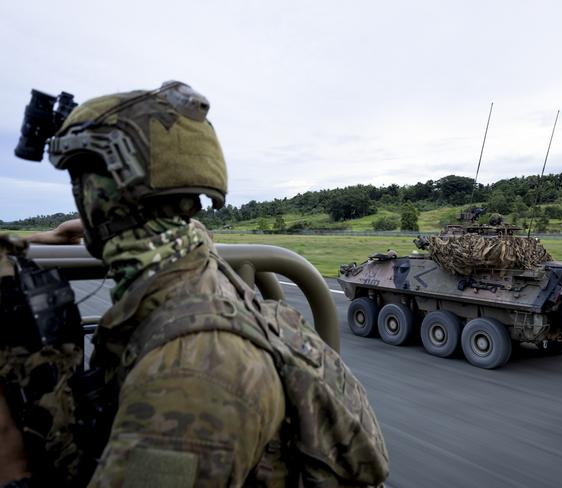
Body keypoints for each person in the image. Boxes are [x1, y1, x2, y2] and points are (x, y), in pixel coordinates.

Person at [0, 81, 388, 487]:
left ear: (102, 196)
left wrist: (12, 460)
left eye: (82, 182)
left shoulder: (192, 377)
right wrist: (39, 242)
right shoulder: (198, 265)